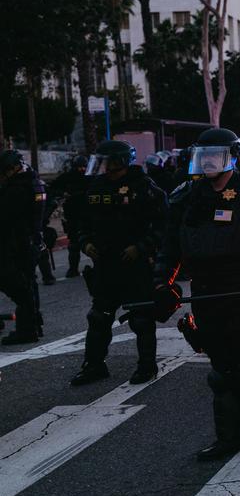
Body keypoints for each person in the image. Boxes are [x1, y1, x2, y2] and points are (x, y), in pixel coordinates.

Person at [153, 128, 240, 469]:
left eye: (216, 155)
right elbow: (169, 247)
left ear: (232, 156)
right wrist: (162, 284)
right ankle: (229, 438)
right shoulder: (186, 196)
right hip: (206, 293)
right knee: (221, 371)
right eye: (204, 155)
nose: (209, 162)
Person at [70, 140, 167, 385]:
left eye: (109, 162)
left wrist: (141, 247)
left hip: (134, 264)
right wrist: (86, 243)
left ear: (121, 162)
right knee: (99, 317)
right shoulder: (95, 188)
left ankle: (147, 366)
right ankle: (94, 365)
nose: (104, 167)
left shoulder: (144, 188)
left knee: (141, 317)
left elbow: (164, 225)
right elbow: (81, 224)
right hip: (105, 263)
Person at [0, 150, 46, 345]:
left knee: (19, 284)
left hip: (17, 241)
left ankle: (27, 329)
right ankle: (33, 323)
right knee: (28, 282)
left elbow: (6, 216)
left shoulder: (17, 188)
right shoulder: (33, 182)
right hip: (29, 240)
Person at [48, 155, 91, 278]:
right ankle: (73, 269)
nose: (82, 170)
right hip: (73, 214)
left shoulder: (90, 178)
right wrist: (63, 193)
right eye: (79, 167)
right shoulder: (67, 178)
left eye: (84, 167)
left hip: (89, 214)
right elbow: (52, 188)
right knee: (74, 243)